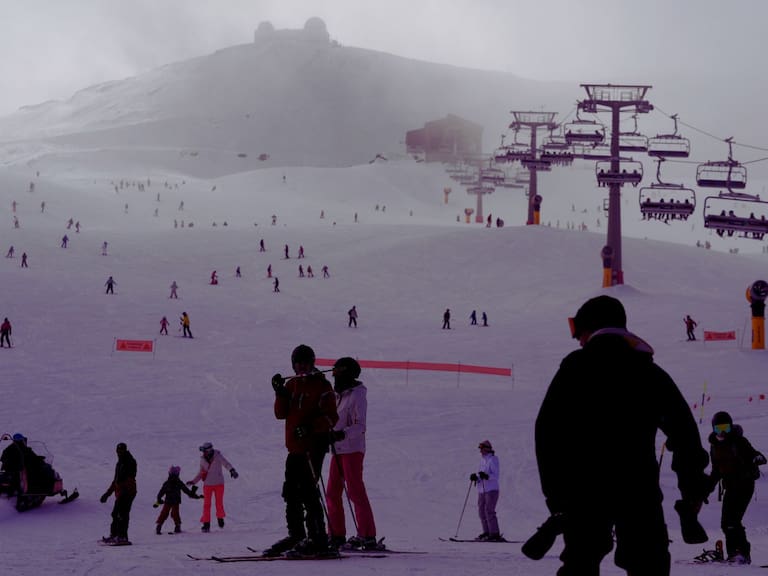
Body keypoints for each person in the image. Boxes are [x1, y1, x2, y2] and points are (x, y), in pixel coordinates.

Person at [533, 295, 710, 575]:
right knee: (648, 565)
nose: (578, 341)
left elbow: (547, 437)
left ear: (590, 329)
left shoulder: (574, 371)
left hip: (584, 493)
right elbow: (685, 435)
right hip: (639, 491)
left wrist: (557, 499)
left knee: (580, 564)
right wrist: (691, 492)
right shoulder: (650, 373)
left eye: (579, 333)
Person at [265, 344, 339, 558]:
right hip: (294, 449)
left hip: (312, 448)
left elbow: (331, 417)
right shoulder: (292, 384)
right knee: (290, 492)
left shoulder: (323, 386)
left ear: (312, 363)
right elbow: (280, 414)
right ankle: (296, 535)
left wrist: (310, 427)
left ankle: (318, 539)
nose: (302, 366)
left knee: (308, 491)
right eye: (298, 362)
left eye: (305, 362)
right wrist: (280, 392)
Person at [325, 357, 379, 550]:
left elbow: (360, 426)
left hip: (353, 450)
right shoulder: (338, 394)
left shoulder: (357, 395)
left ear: (346, 374)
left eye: (337, 373)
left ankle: (367, 534)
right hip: (337, 450)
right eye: (334, 373)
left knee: (355, 491)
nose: (334, 376)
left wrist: (341, 434)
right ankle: (336, 534)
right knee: (332, 492)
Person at [705, 411, 766, 564]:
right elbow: (716, 471)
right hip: (731, 487)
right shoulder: (714, 446)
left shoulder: (739, 441)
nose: (723, 432)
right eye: (719, 429)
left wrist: (757, 458)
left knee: (733, 520)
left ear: (731, 427)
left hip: (744, 485)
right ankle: (734, 553)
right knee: (726, 522)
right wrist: (705, 490)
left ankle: (742, 553)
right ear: (714, 429)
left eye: (726, 428)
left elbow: (754, 454)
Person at [186, 442, 238, 532]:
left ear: (208, 450)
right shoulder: (202, 459)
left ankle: (220, 518)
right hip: (207, 485)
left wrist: (232, 470)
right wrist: (193, 481)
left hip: (219, 484)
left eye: (204, 450)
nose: (203, 452)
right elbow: (201, 473)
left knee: (219, 503)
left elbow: (226, 463)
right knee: (206, 505)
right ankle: (206, 524)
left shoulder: (218, 456)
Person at [100, 442, 137, 545]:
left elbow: (130, 478)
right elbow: (116, 480)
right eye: (117, 450)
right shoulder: (119, 463)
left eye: (121, 450)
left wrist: (125, 491)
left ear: (125, 450)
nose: (119, 452)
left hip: (128, 492)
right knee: (115, 513)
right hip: (121, 492)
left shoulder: (130, 462)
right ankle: (114, 535)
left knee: (123, 514)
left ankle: (122, 537)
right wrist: (107, 494)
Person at [154, 466, 200, 534]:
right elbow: (186, 490)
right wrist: (193, 495)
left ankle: (159, 526)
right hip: (174, 501)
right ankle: (176, 526)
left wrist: (159, 498)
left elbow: (161, 492)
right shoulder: (177, 482)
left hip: (170, 501)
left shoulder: (169, 483)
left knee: (165, 513)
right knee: (174, 514)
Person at [471, 440, 502, 541]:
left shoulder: (493, 459)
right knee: (481, 512)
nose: (480, 451)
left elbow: (496, 476)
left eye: (482, 449)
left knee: (489, 511)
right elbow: (481, 474)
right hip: (482, 490)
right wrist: (476, 477)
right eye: (480, 449)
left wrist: (486, 476)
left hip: (491, 490)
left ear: (487, 449)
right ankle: (487, 532)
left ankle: (494, 533)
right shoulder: (482, 460)